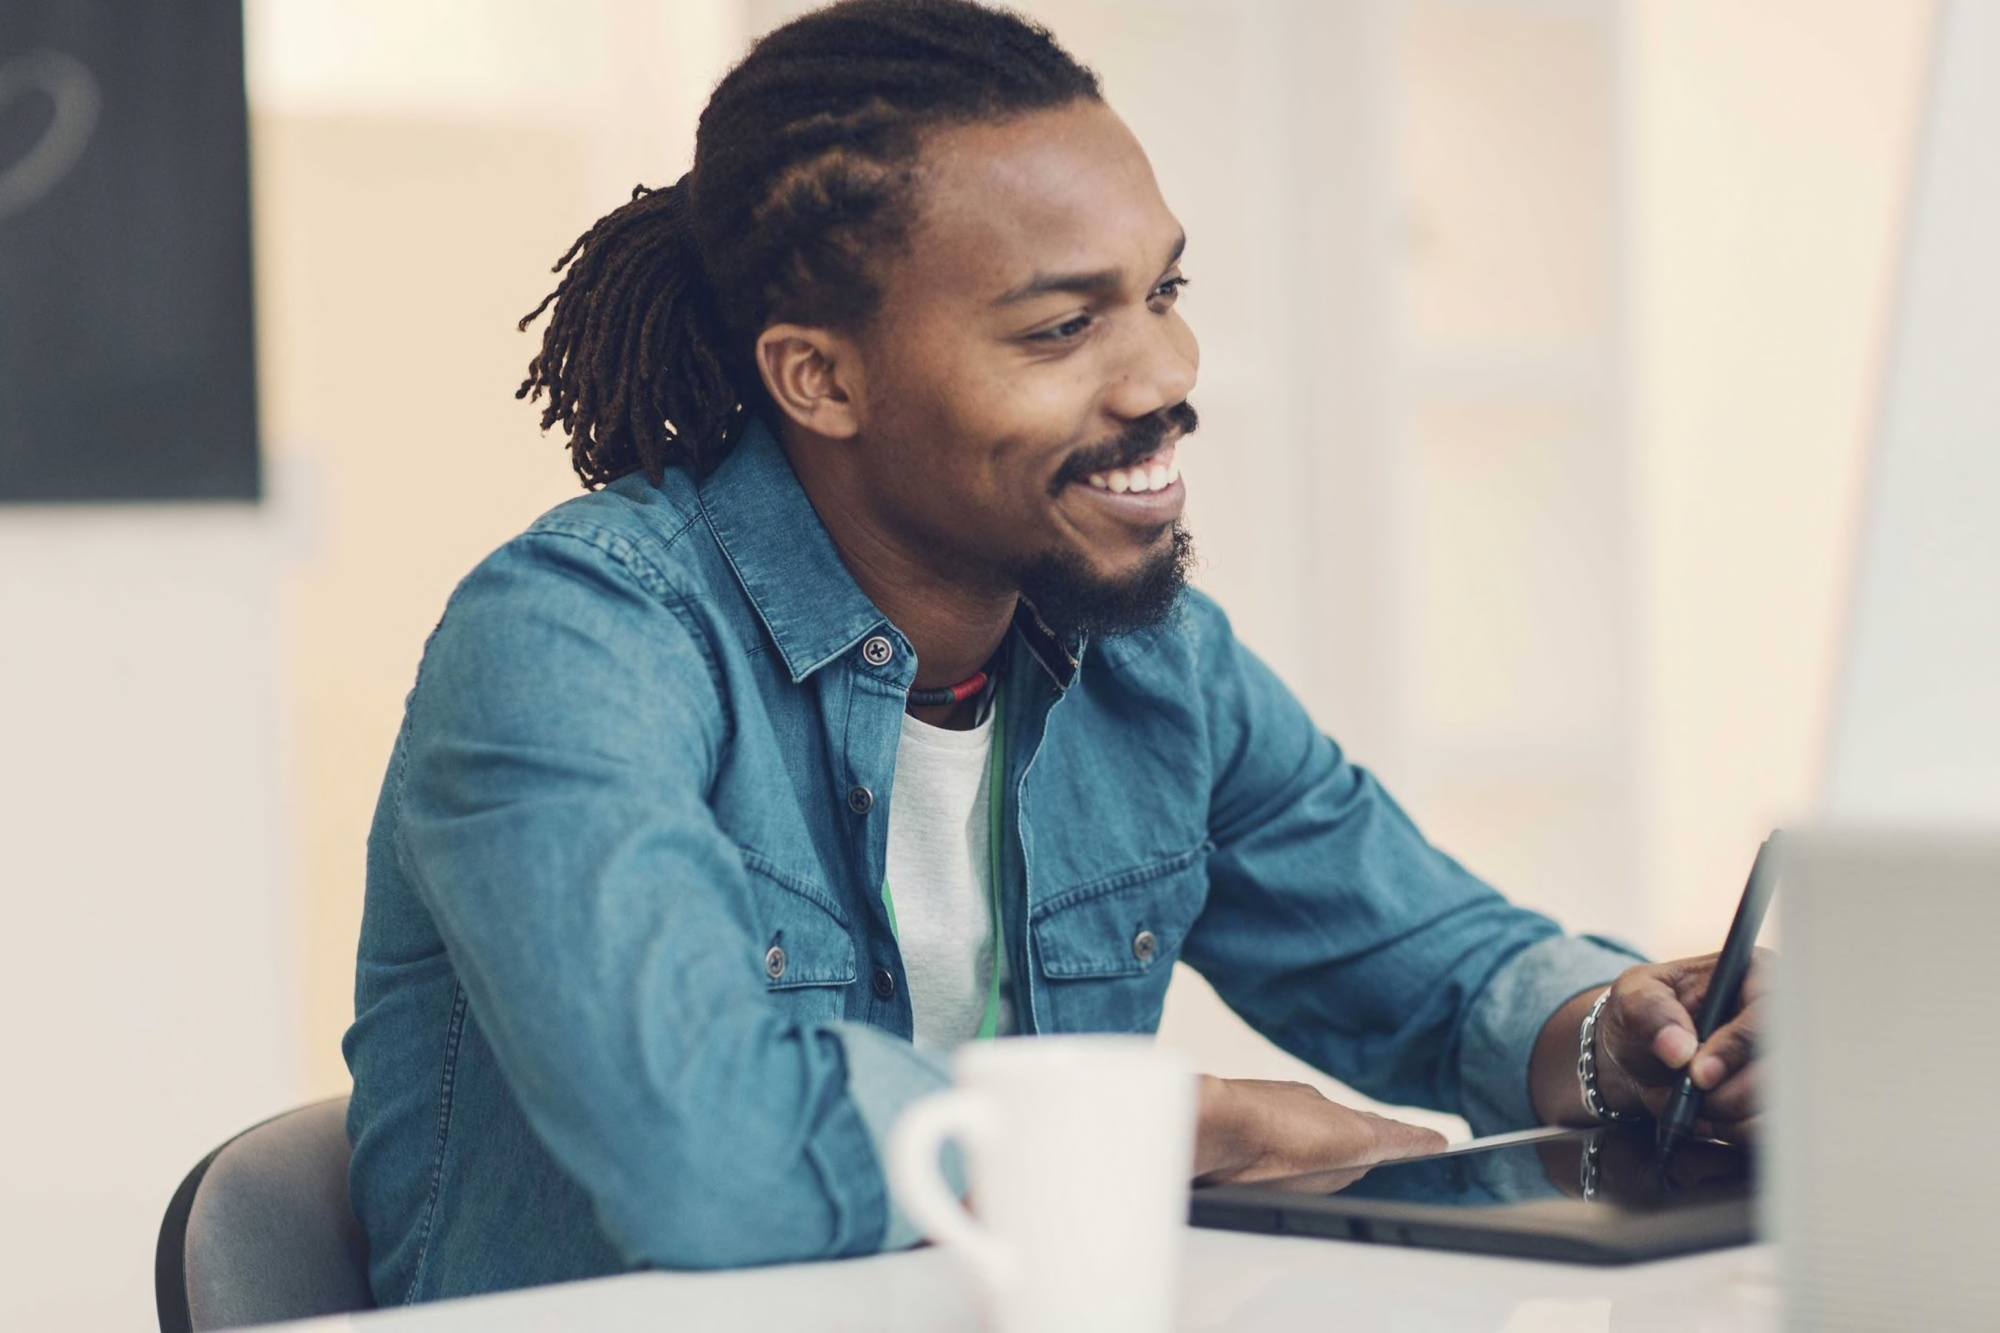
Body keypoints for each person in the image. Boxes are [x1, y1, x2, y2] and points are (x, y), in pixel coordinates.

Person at [343, 0, 1765, 1305]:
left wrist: (1620, 1035)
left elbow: (1436, 968)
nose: (1162, 374)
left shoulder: (1150, 662)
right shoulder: (570, 641)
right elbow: (705, 1153)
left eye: (1163, 291)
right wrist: (1161, 1132)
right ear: (821, 377)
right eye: (1063, 326)